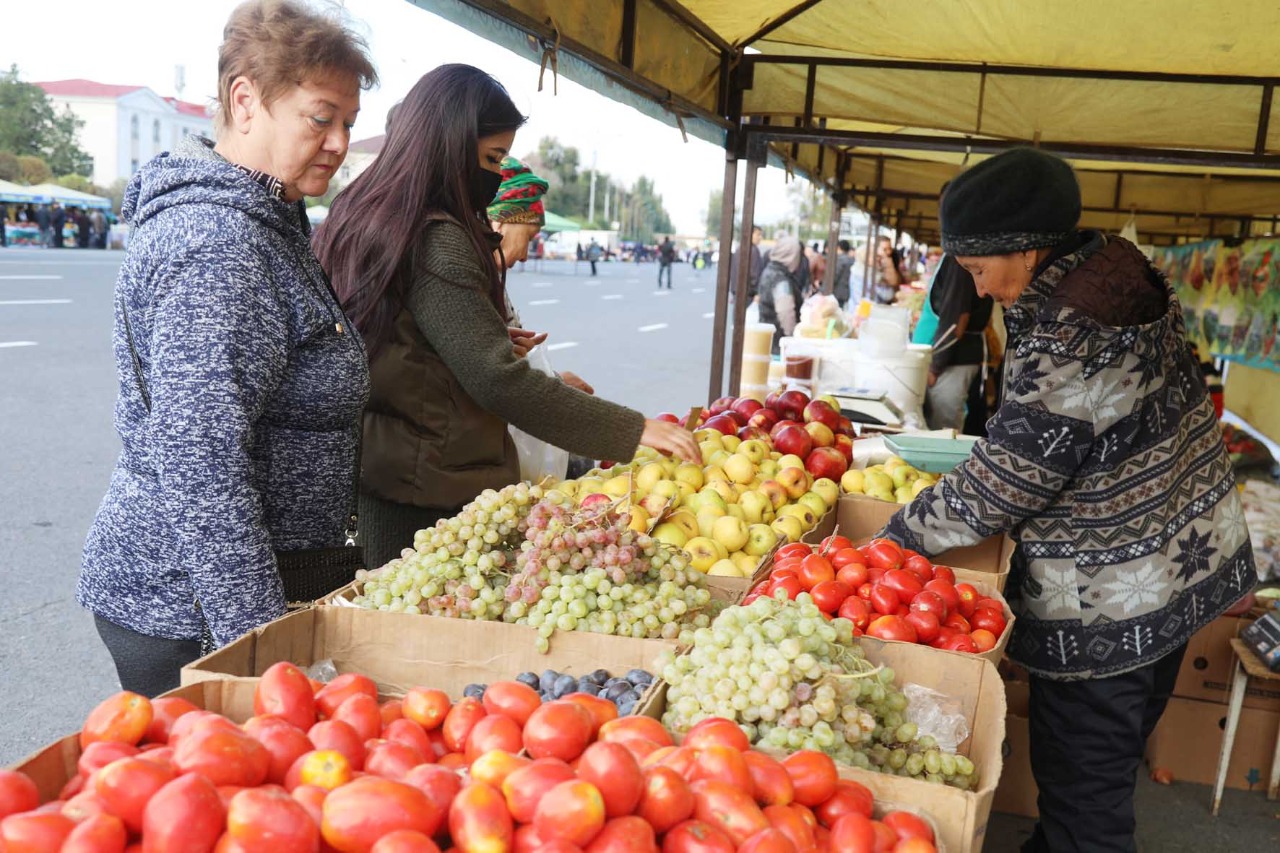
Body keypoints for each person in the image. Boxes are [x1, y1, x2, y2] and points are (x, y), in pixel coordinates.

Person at [877, 148, 1254, 853]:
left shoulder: (1072, 327)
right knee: (1092, 774)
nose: (981, 291)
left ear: (1022, 247)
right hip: (1179, 567)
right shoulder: (1108, 266)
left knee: (1086, 791)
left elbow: (1005, 480)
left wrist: (893, 539)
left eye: (982, 272)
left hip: (1114, 601)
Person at [78, 0, 378, 696]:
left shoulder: (267, 222)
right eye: (320, 117)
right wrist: (266, 658)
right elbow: (202, 465)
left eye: (349, 124)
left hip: (226, 593)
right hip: (189, 608)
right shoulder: (223, 247)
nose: (338, 141)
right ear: (246, 100)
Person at [313, 64, 700, 569]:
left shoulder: (361, 213)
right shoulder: (438, 237)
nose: (496, 176)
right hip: (430, 490)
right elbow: (499, 382)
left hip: (390, 470)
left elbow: (392, 341)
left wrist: (474, 337)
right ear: (449, 144)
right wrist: (632, 429)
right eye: (492, 158)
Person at [914, 252, 993, 432]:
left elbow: (956, 321)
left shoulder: (960, 258)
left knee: (943, 431)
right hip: (949, 361)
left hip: (950, 363)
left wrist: (934, 367)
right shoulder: (956, 256)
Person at [757, 235, 804, 353]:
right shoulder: (781, 280)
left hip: (769, 339)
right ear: (791, 255)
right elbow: (786, 312)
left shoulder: (769, 270)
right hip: (779, 344)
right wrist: (793, 338)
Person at [832, 239, 855, 308]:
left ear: (839, 247)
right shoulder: (852, 260)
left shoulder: (840, 260)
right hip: (847, 291)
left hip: (837, 291)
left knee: (835, 312)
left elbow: (835, 276)